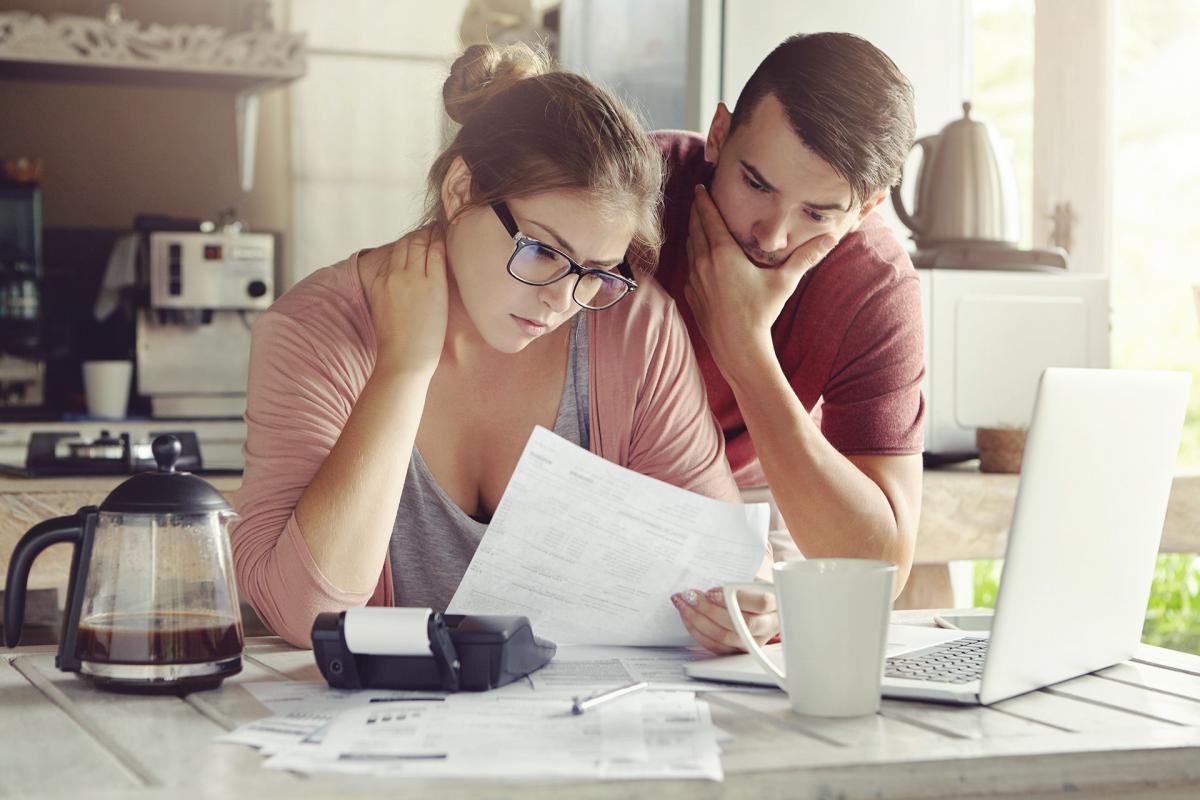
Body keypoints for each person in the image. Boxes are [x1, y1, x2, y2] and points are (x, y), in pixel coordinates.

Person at [230, 44, 777, 651]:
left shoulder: (634, 326)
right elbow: (305, 612)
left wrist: (748, 609)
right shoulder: (314, 331)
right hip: (379, 735)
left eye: (595, 271)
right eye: (542, 251)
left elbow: (720, 567)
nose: (561, 300)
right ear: (462, 190)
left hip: (581, 726)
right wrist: (404, 368)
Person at [656, 33, 926, 653]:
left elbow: (879, 570)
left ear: (866, 208)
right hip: (592, 465)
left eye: (818, 213)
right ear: (719, 135)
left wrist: (745, 350)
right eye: (756, 183)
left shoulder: (875, 284)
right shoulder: (631, 189)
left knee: (781, 657)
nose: (773, 236)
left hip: (757, 485)